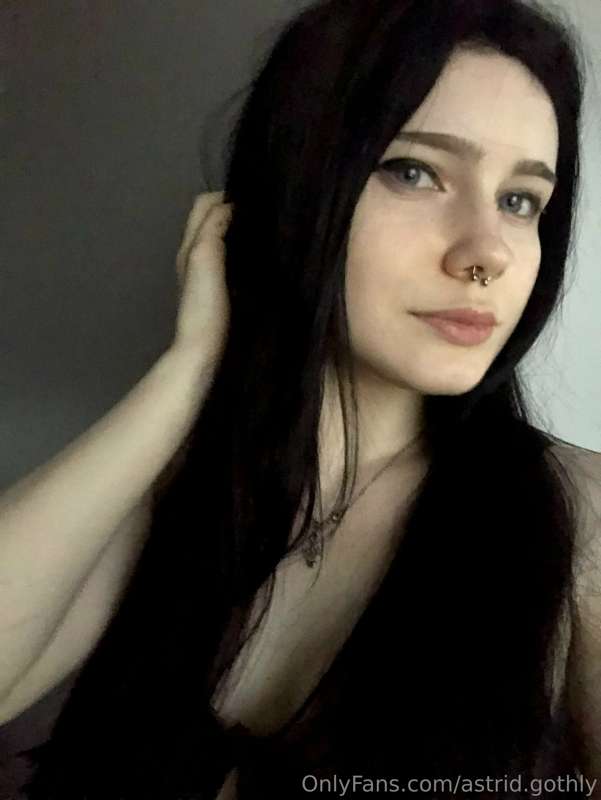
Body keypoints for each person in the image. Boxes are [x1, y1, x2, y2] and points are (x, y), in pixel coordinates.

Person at [1, 0, 600, 797]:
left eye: (519, 200)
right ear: (301, 182)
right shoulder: (181, 493)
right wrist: (186, 374)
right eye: (414, 171)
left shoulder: (580, 519)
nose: (485, 252)